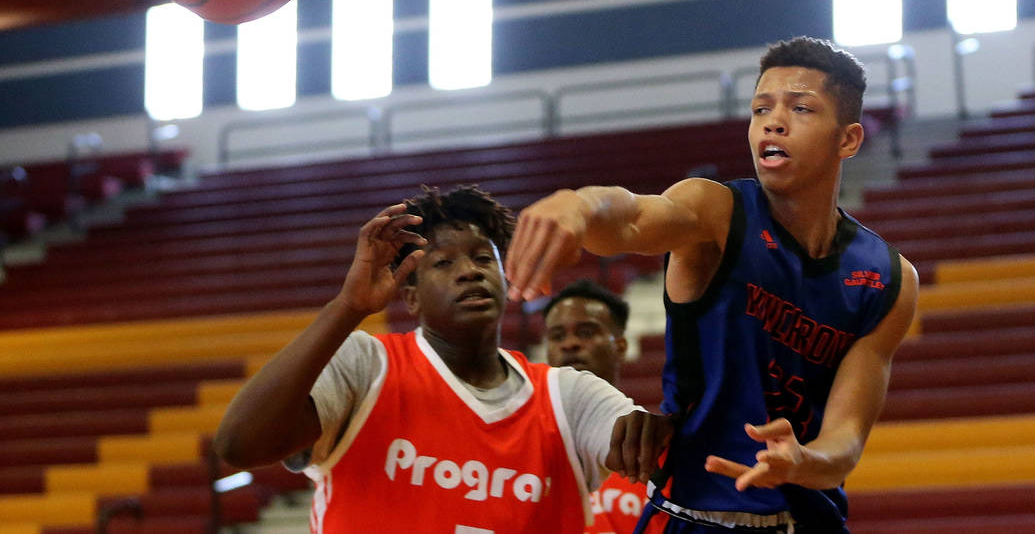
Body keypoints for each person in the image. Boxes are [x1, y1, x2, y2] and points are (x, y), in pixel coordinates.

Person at [505, 36, 919, 533]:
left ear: (848, 140)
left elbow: (846, 440)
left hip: (808, 520)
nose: (773, 120)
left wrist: (804, 462)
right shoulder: (716, 212)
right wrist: (581, 204)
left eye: (801, 108)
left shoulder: (889, 278)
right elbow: (635, 217)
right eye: (760, 108)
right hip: (693, 516)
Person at [214, 185, 671, 534]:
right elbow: (240, 444)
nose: (469, 270)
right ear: (409, 295)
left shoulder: (568, 395)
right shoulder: (366, 364)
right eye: (444, 263)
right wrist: (347, 308)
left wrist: (650, 432)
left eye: (481, 258)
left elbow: (646, 445)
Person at [543, 279, 665, 534]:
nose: (569, 344)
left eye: (586, 332)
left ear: (620, 347)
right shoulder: (522, 443)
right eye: (557, 336)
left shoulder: (651, 446)